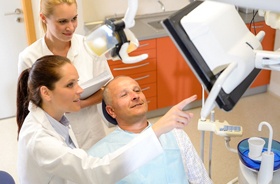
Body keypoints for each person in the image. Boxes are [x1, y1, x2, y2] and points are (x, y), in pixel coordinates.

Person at [16, 55, 197, 183]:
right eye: (70, 84)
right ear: (46, 92)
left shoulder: (56, 119)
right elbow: (97, 172)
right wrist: (156, 130)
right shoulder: (39, 139)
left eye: (77, 82)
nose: (80, 90)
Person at [17, 0, 112, 150]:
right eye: (62, 21)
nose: (71, 27)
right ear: (43, 18)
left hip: (91, 132)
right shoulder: (29, 57)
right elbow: (31, 105)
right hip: (53, 138)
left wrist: (80, 104)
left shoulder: (90, 46)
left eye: (74, 18)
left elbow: (108, 89)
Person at [88, 76, 212, 184]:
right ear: (111, 111)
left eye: (137, 90)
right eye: (124, 94)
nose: (135, 96)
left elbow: (201, 180)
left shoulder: (176, 134)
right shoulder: (99, 155)